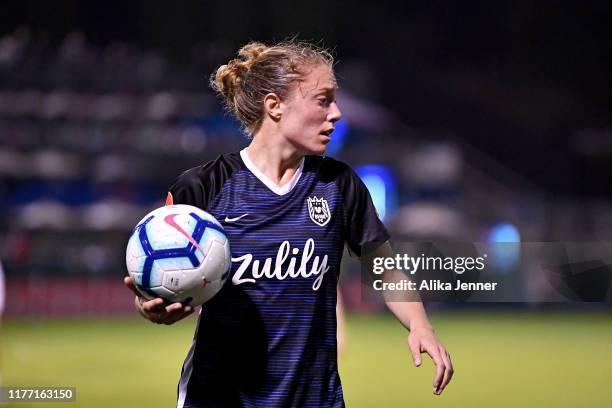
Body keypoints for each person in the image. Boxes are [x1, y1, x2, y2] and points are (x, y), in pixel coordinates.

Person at [124, 40, 453, 408]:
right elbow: (157, 276)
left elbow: (386, 271)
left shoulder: (338, 185)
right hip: (219, 396)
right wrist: (148, 306)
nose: (337, 113)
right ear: (274, 106)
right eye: (323, 99)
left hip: (314, 399)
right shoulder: (204, 186)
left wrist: (421, 325)